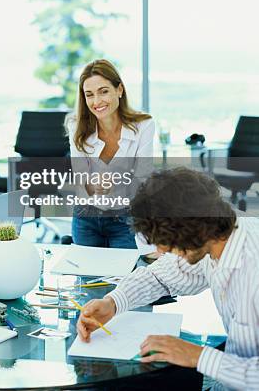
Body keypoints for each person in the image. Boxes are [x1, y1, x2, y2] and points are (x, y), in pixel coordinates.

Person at [76, 167, 259, 391]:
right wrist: (113, 302)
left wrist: (199, 356)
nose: (163, 253)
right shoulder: (214, 238)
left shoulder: (253, 268)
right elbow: (158, 276)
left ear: (191, 229)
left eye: (168, 244)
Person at [68, 59, 155, 249]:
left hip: (125, 218)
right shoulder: (76, 126)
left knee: (124, 277)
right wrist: (92, 185)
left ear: (119, 90)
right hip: (86, 217)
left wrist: (116, 184)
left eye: (104, 91)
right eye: (89, 95)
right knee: (87, 277)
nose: (97, 101)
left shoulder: (144, 125)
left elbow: (144, 178)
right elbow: (79, 178)